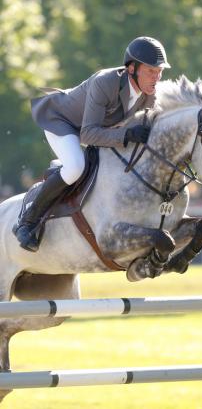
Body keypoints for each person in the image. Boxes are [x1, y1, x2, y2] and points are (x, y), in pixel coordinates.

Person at [13, 36, 171, 252]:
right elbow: (87, 134)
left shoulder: (150, 96)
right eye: (151, 71)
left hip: (97, 130)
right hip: (62, 121)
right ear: (132, 68)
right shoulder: (105, 82)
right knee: (76, 167)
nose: (157, 77)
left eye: (160, 71)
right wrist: (126, 134)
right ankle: (28, 222)